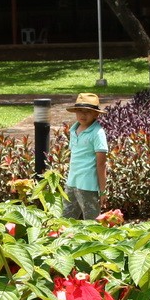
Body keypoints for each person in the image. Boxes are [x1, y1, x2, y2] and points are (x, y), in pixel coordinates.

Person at [64, 92, 108, 220]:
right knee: (65, 220)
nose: (83, 115)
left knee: (91, 223)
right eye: (80, 111)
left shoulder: (97, 133)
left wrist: (103, 190)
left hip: (88, 185)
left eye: (87, 112)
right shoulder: (74, 130)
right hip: (72, 182)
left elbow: (101, 163)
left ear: (96, 114)